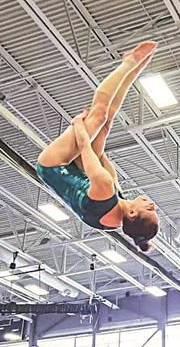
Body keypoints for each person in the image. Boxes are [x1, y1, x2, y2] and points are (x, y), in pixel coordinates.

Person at [36, 41, 160, 251]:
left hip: (53, 166)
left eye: (149, 210)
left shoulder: (105, 187)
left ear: (132, 213)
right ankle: (134, 70)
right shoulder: (118, 213)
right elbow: (99, 155)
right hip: (81, 174)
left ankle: (129, 62)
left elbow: (85, 146)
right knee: (106, 122)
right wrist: (100, 132)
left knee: (99, 115)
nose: (153, 205)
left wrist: (78, 123)